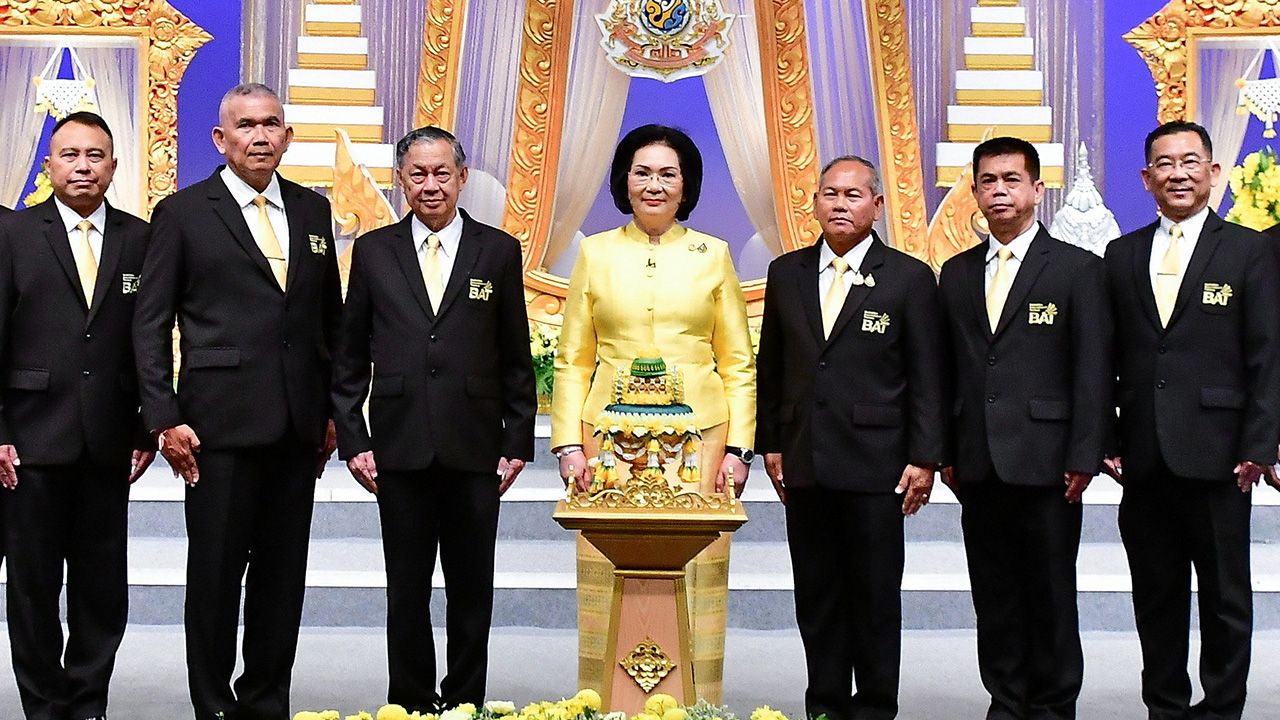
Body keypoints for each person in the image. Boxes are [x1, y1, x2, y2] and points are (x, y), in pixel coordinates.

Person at [132, 83, 341, 720]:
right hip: (215, 428)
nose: (259, 136)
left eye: (271, 124)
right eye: (245, 126)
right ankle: (213, 703)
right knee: (218, 576)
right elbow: (149, 324)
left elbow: (326, 318)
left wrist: (335, 410)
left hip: (297, 427)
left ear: (287, 136)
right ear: (220, 139)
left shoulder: (312, 211)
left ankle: (265, 699)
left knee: (283, 579)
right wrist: (162, 417)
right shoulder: (184, 212)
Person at [550, 124, 755, 702]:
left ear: (686, 185)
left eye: (668, 173)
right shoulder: (595, 252)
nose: (655, 184)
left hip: (700, 440)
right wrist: (568, 444)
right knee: (607, 567)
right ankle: (605, 705)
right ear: (624, 181)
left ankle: (695, 707)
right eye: (643, 172)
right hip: (607, 439)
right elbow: (573, 359)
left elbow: (737, 362)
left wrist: (738, 450)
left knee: (697, 573)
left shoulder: (713, 254)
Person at [332, 125, 535, 710]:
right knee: (407, 590)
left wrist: (516, 439)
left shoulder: (497, 250)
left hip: (476, 448)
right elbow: (349, 358)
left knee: (473, 589)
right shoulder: (373, 251)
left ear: (463, 177)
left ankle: (467, 699)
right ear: (400, 180)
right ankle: (412, 702)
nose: (430, 185)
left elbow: (515, 355)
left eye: (441, 173)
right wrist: (354, 439)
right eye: (417, 174)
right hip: (397, 448)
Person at [755, 155, 942, 720]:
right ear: (813, 202)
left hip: (878, 465)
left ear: (877, 206)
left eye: (853, 195)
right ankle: (826, 706)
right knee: (816, 596)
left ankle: (877, 706)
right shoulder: (786, 272)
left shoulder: (909, 278)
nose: (840, 204)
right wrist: (772, 444)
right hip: (805, 461)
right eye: (829, 194)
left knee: (875, 597)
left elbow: (928, 376)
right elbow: (772, 366)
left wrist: (925, 456)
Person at [1104, 120, 1280, 720]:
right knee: (1156, 596)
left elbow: (1266, 353)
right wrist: (1107, 437)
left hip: (1221, 454)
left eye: (1190, 161)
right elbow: (1105, 356)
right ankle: (1166, 707)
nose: (1178, 173)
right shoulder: (1121, 254)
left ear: (1214, 171)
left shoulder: (1248, 250)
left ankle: (1224, 706)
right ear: (1146, 178)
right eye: (1164, 163)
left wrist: (1261, 444)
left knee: (1226, 595)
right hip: (1145, 456)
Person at [937, 137, 1111, 720]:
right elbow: (947, 370)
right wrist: (944, 451)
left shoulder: (1078, 269)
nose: (1000, 191)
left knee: (1051, 592)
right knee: (995, 594)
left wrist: (1086, 453)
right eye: (988, 180)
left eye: (1013, 179)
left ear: (1038, 190)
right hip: (978, 461)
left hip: (1049, 460)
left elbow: (1092, 369)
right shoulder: (955, 274)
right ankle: (1006, 700)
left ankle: (1055, 705)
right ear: (976, 191)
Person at [0, 111, 154, 720]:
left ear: (115, 166)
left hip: (110, 441)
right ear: (48, 166)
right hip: (31, 440)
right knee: (33, 588)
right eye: (70, 155)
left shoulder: (140, 239)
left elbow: (149, 340)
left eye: (96, 155)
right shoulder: (13, 235)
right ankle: (43, 705)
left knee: (101, 588)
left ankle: (88, 702)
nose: (83, 166)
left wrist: (146, 426)